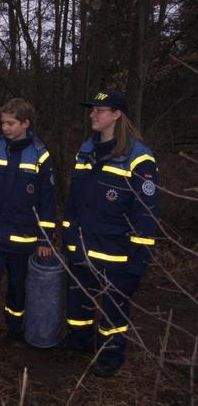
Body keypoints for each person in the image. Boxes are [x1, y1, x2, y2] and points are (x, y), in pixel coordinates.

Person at [61, 90, 159, 377]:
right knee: (78, 299)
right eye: (92, 109)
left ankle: (111, 354)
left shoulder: (140, 158)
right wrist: (69, 238)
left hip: (117, 251)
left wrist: (137, 261)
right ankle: (79, 341)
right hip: (82, 245)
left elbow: (147, 215)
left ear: (117, 114)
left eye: (100, 110)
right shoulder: (86, 150)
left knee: (114, 308)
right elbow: (73, 201)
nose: (93, 114)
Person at [0, 98, 56, 362]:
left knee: (18, 288)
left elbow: (47, 201)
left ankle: (16, 329)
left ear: (25, 124)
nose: (5, 128)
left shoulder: (41, 154)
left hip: (24, 239)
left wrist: (44, 238)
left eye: (11, 123)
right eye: (3, 123)